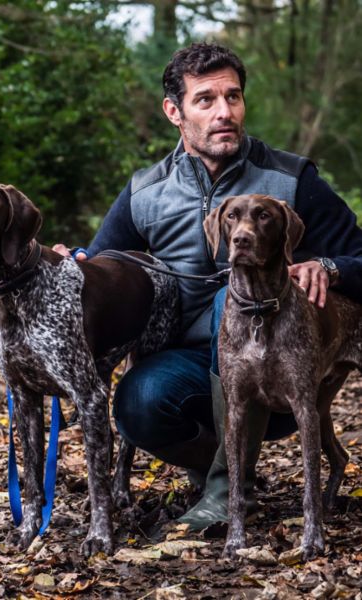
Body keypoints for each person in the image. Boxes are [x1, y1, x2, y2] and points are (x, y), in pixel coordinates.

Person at [54, 42, 362, 529]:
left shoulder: (290, 180)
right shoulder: (145, 192)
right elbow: (102, 266)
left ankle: (226, 493)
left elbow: (360, 257)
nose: (225, 112)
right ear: (174, 111)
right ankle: (220, 465)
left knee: (232, 294)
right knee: (136, 402)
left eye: (233, 97)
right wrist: (66, 264)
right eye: (206, 100)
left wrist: (328, 265)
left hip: (280, 371)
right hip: (190, 369)